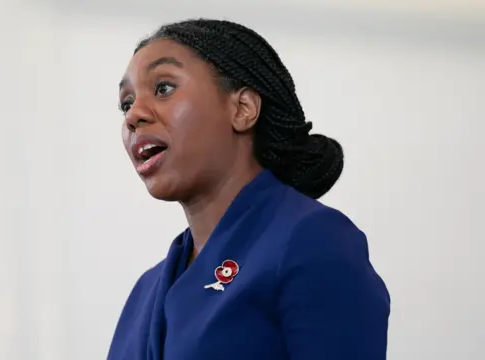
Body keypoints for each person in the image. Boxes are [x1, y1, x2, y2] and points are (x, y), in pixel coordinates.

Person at [108, 18, 390, 360]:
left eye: (164, 88)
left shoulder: (312, 240)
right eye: (126, 104)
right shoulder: (146, 291)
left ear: (242, 109)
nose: (133, 115)